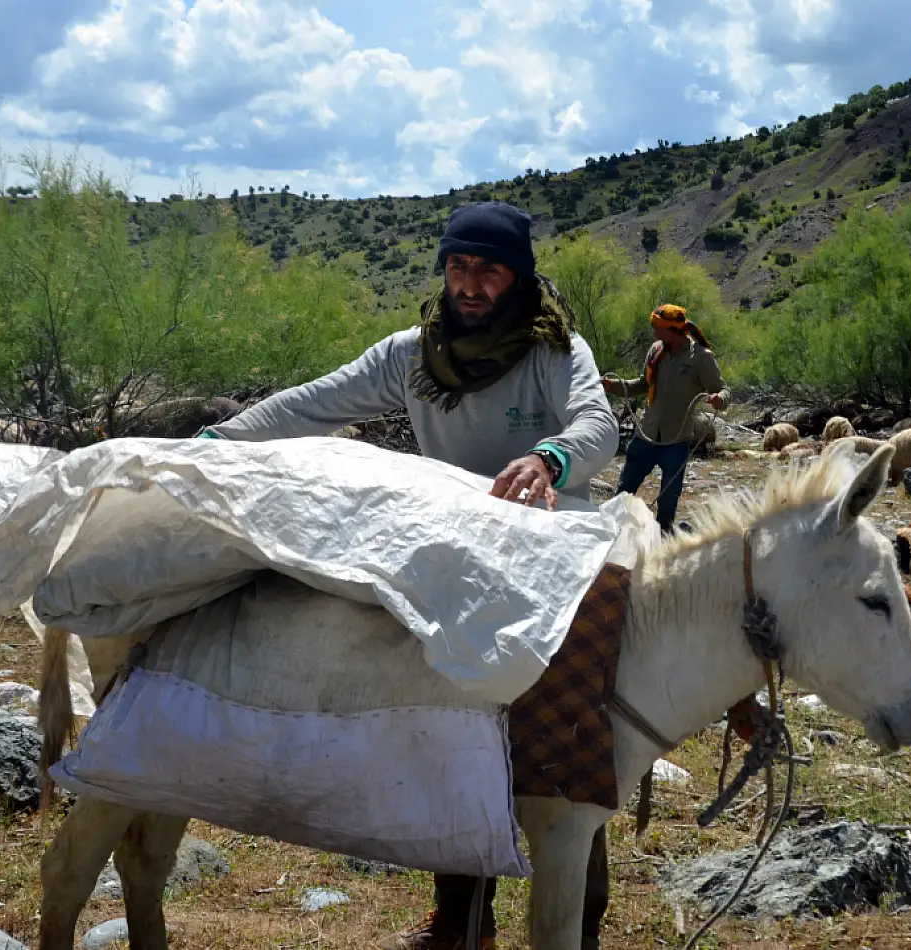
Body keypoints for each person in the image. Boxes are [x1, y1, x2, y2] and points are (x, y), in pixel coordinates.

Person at [198, 201, 619, 950]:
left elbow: (596, 424)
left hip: (549, 560)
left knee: (571, 733)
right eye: (459, 267)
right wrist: (220, 440)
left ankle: (579, 917)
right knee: (450, 727)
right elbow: (314, 404)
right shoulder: (411, 356)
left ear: (518, 278)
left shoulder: (555, 352)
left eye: (488, 269)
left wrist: (550, 456)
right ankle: (461, 920)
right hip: (456, 564)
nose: (470, 284)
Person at [601, 304, 728, 533]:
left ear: (673, 330)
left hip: (676, 440)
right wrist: (613, 387)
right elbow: (642, 384)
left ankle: (662, 543)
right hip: (646, 434)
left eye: (657, 328)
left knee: (668, 500)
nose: (654, 332)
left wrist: (720, 398)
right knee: (623, 492)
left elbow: (723, 389)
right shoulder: (656, 350)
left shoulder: (701, 358)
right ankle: (611, 534)